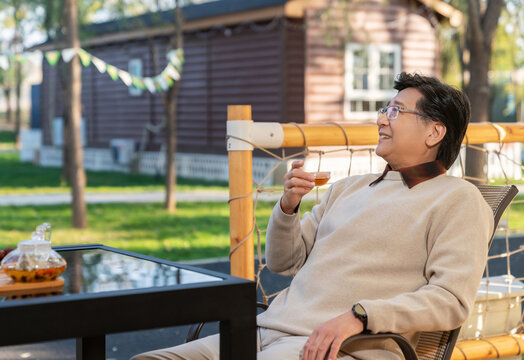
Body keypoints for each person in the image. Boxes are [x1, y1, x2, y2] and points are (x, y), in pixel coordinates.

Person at [130, 72, 493, 360]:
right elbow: (283, 262)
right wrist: (288, 207)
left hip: (340, 347)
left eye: (396, 111)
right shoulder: (348, 187)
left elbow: (450, 300)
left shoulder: (459, 199)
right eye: (384, 108)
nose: (382, 119)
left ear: (434, 131)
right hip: (264, 330)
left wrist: (360, 316)